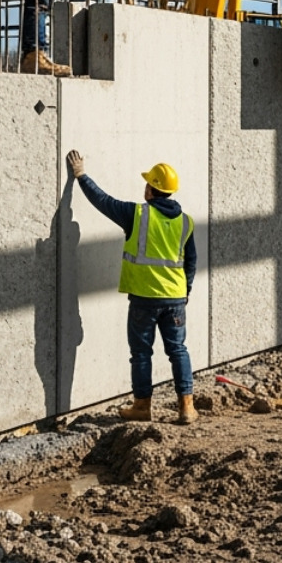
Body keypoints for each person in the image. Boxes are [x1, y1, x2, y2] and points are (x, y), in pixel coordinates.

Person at [65, 149, 198, 424]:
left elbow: (103, 201)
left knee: (141, 352)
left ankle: (142, 406)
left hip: (144, 298)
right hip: (175, 298)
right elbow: (191, 262)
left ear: (152, 189)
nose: (144, 187)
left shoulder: (137, 214)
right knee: (178, 350)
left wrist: (80, 175)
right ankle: (186, 406)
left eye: (148, 183)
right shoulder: (186, 222)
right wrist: (186, 292)